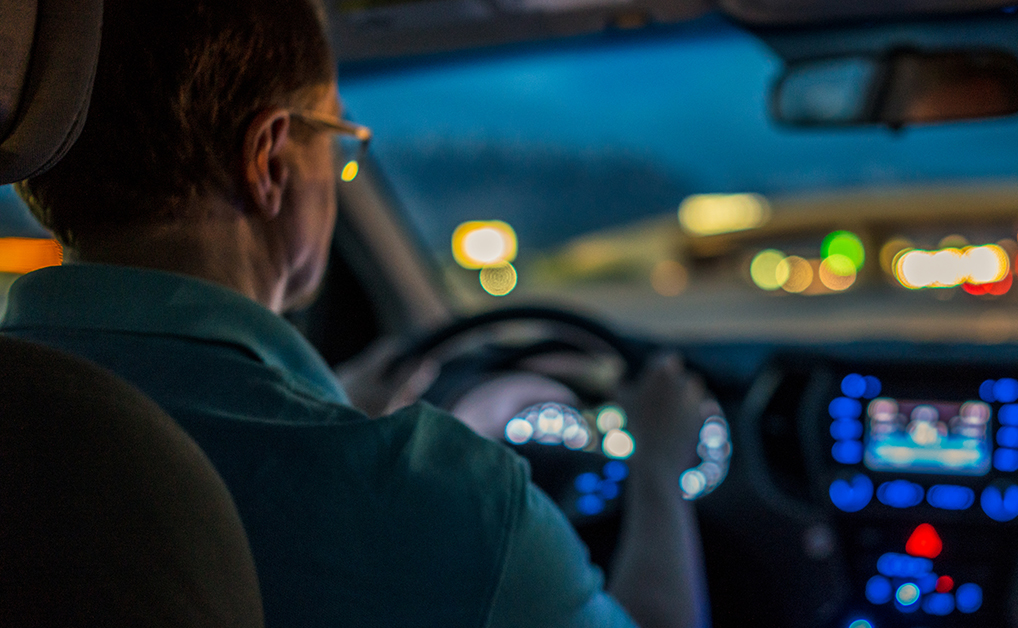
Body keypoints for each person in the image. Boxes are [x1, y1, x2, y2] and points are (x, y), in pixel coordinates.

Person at [1, 0, 707, 627]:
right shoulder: (440, 500)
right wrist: (658, 468)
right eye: (337, 140)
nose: (338, 172)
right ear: (268, 159)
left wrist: (332, 405)